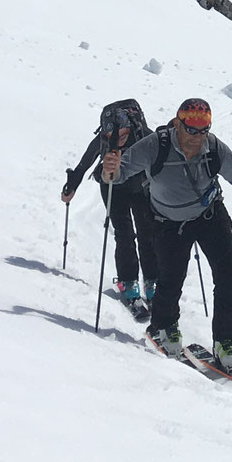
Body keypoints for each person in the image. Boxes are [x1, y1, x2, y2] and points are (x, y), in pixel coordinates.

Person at [104, 97, 232, 372]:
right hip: (168, 223)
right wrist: (109, 169)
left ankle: (225, 340)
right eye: (192, 129)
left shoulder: (214, 147)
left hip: (209, 215)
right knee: (170, 279)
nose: (198, 136)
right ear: (178, 123)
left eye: (203, 129)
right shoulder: (155, 145)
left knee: (230, 274)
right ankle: (164, 326)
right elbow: (118, 175)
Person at [62, 98, 159, 308]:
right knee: (124, 234)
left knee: (148, 233)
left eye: (123, 134)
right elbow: (84, 164)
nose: (117, 140)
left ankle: (152, 282)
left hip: (141, 187)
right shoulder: (105, 139)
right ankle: (128, 282)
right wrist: (71, 187)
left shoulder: (146, 137)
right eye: (110, 135)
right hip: (113, 187)